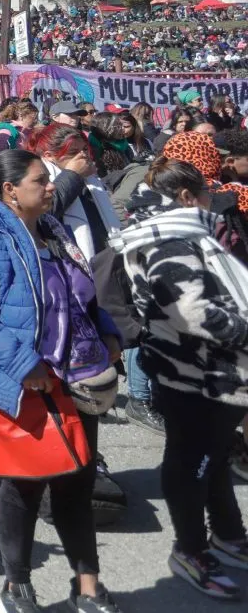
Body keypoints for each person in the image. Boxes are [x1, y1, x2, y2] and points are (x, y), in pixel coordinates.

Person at [0, 149, 124, 613]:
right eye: (41, 180)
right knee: (26, 485)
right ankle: (16, 585)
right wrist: (25, 364)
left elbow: (82, 292)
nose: (51, 188)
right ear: (10, 190)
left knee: (78, 483)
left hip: (79, 378)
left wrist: (107, 330)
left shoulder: (53, 229)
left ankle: (87, 586)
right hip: (25, 382)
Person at [118, 158, 248, 601]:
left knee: (211, 457)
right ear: (189, 198)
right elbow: (192, 310)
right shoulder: (166, 239)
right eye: (209, 193)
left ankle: (228, 535)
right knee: (191, 461)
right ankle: (189, 547)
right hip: (191, 373)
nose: (215, 201)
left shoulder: (180, 233)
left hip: (210, 372)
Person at [31, 124, 120, 261]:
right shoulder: (39, 180)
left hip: (106, 257)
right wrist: (72, 174)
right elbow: (45, 212)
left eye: (84, 149)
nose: (83, 155)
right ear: (49, 156)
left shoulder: (91, 179)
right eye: (73, 152)